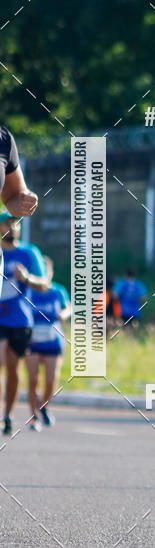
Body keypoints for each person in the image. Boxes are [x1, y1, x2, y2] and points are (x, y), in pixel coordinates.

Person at [0, 126, 41, 436]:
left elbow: (13, 196)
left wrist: (20, 202)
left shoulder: (3, 140)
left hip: (17, 316)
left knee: (11, 369)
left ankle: (7, 415)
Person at [0, 213, 49, 434]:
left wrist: (27, 278)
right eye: (8, 222)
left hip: (20, 321)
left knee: (13, 368)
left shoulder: (29, 253)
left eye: (16, 223)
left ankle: (8, 415)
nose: (13, 227)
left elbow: (44, 285)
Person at [25, 256, 71, 431]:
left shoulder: (58, 291)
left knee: (51, 381)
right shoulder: (29, 291)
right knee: (33, 380)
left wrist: (64, 314)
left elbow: (68, 307)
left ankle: (44, 406)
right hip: (33, 341)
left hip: (53, 340)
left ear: (50, 273)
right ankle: (34, 417)